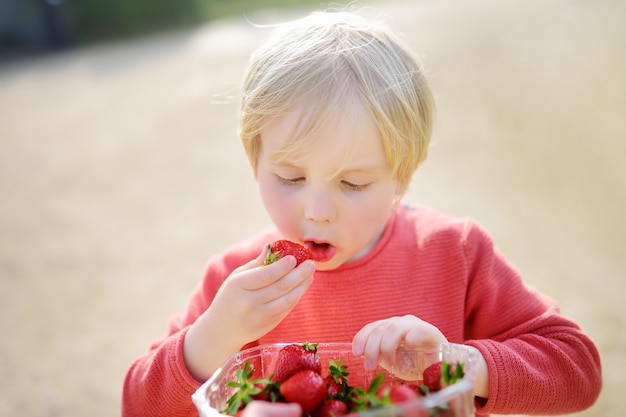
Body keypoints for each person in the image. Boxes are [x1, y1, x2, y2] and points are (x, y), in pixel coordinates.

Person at [122, 9, 602, 417]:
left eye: (353, 183)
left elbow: (577, 367)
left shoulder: (453, 252)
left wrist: (453, 363)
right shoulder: (237, 284)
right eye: (290, 177)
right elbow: (137, 404)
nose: (316, 210)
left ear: (402, 178)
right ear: (255, 160)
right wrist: (212, 338)